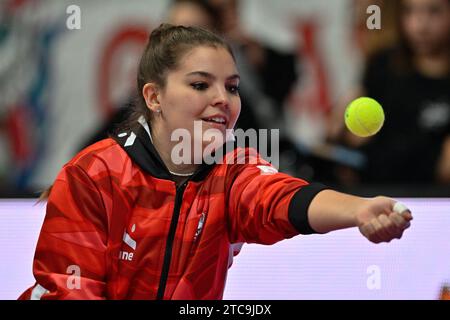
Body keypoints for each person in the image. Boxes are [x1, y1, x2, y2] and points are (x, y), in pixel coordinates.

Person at [19, 24, 412, 300]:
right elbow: (69, 290)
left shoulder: (234, 171)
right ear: (154, 97)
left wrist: (360, 209)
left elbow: (280, 199)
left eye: (232, 87)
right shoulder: (93, 173)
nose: (223, 99)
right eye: (200, 84)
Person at [328, 0, 450, 185]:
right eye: (409, 12)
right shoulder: (383, 65)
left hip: (436, 197)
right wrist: (343, 134)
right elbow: (350, 143)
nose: (420, 25)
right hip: (376, 193)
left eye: (434, 12)